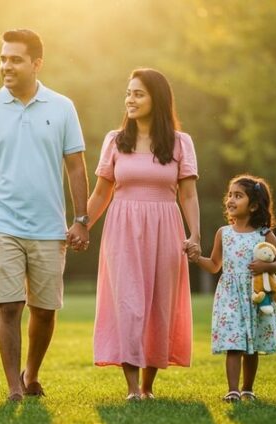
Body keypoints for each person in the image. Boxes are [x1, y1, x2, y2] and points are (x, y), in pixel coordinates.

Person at [0, 29, 89, 402]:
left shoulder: (62, 107)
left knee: (44, 311)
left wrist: (81, 219)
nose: (5, 66)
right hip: (1, 223)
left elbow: (76, 167)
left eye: (14, 59)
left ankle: (31, 373)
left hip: (49, 226)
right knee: (10, 306)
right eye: (2, 58)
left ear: (36, 63)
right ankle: (14, 386)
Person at [86, 68, 201, 401]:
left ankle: (149, 386)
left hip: (166, 227)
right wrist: (80, 226)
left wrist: (195, 235)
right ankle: (133, 388)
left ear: (157, 99)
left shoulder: (181, 143)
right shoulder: (115, 140)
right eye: (128, 93)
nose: (130, 100)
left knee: (158, 306)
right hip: (122, 228)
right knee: (129, 304)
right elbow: (101, 194)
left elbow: (189, 195)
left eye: (138, 93)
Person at [186, 174, 276, 402]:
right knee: (234, 343)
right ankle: (232, 390)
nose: (231, 200)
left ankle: (248, 389)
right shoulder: (224, 233)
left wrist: (266, 265)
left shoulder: (264, 234)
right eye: (230, 195)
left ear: (253, 206)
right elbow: (214, 266)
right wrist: (196, 257)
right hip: (230, 296)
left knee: (252, 345)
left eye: (238, 196)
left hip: (254, 295)